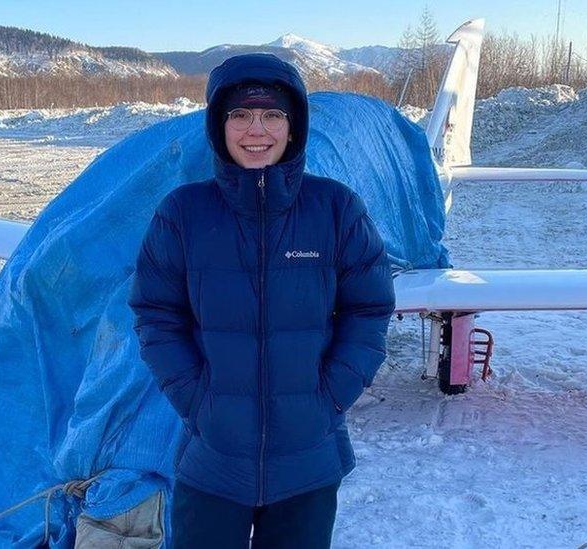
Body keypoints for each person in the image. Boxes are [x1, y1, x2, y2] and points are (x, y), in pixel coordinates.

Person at [127, 53, 395, 548]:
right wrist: (196, 398)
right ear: (218, 126)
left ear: (293, 128)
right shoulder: (183, 213)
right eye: (240, 115)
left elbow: (370, 308)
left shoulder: (335, 208)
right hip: (212, 460)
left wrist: (331, 395)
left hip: (308, 460)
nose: (257, 129)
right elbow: (156, 313)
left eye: (272, 114)